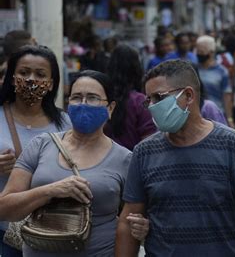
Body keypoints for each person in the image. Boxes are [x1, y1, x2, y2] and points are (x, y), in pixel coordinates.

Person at [115, 59, 235, 257]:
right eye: (148, 100)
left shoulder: (233, 146)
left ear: (188, 95)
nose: (152, 106)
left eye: (158, 98)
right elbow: (129, 219)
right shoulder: (144, 153)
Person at [0, 70, 149, 256]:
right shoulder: (42, 145)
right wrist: (50, 190)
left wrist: (142, 226)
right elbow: (3, 208)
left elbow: (132, 218)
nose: (83, 104)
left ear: (110, 108)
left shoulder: (125, 159)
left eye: (93, 98)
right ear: (67, 103)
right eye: (77, 97)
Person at [0, 45, 72, 256]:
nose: (31, 79)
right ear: (12, 78)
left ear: (50, 84)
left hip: (53, 231)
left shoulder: (66, 124)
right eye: (24, 73)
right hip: (4, 231)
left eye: (40, 74)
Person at [104, 45, 156, 150]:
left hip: (104, 159)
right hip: (133, 161)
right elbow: (148, 139)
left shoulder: (102, 98)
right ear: (137, 68)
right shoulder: (140, 101)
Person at [196, 35, 234, 126]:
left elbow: (227, 96)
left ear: (211, 52)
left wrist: (230, 119)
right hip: (198, 116)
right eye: (197, 51)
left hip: (215, 116)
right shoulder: (194, 69)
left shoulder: (221, 71)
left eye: (201, 51)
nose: (198, 54)